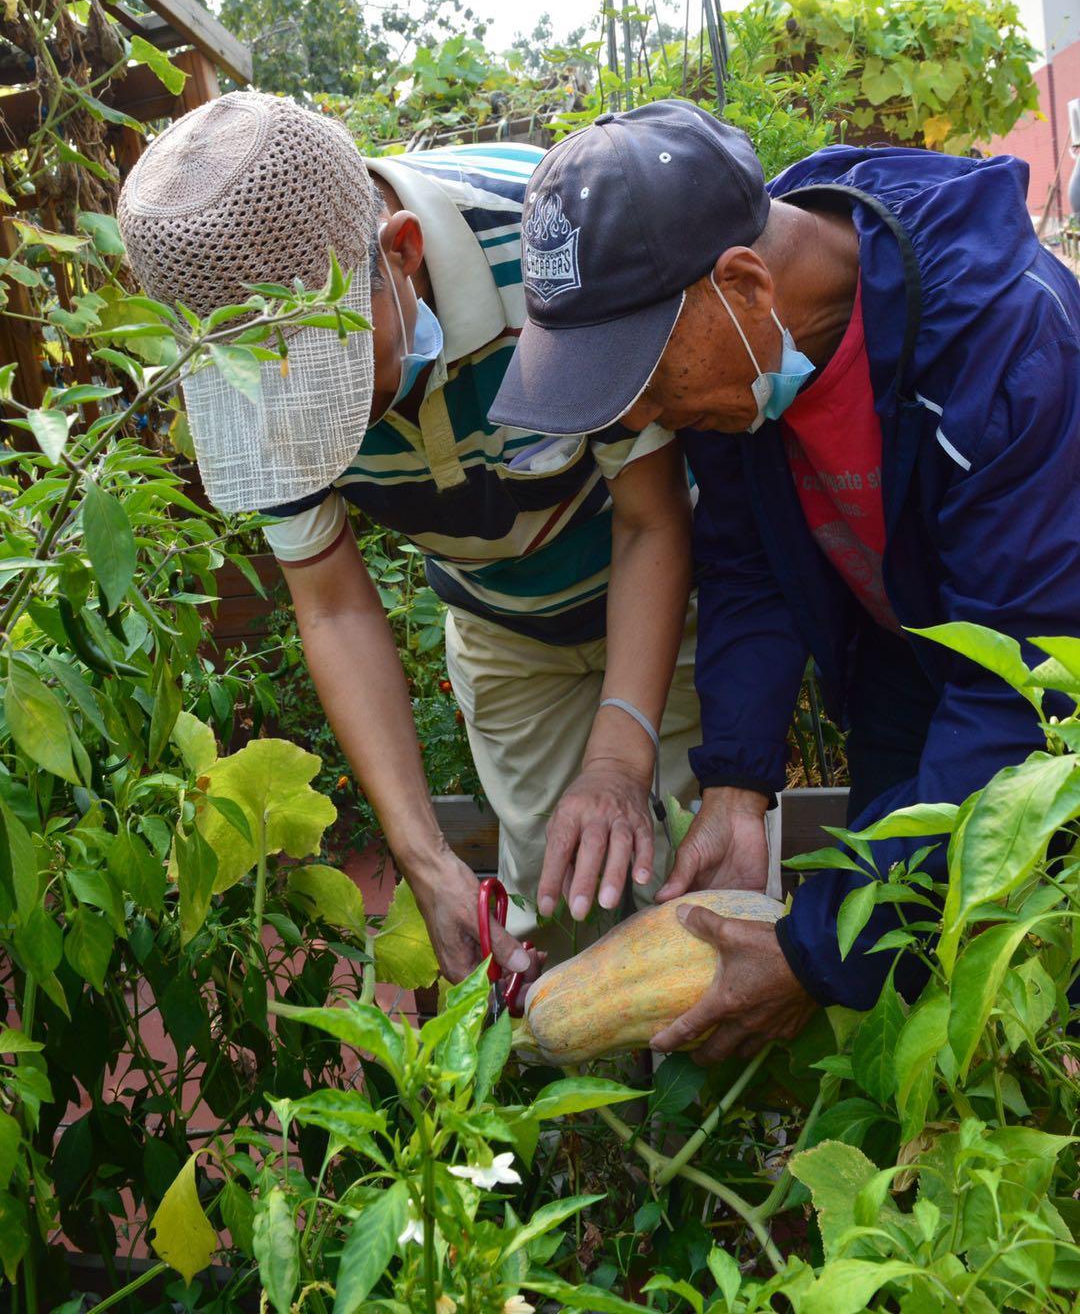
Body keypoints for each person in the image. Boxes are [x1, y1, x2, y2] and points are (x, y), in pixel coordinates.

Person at [489, 96, 1080, 1056]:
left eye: (643, 375)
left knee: (1032, 970)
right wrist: (739, 784)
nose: (638, 411)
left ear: (743, 282)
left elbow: (1019, 697)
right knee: (906, 978)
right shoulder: (744, 370)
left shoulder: (1012, 350)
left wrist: (807, 957)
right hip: (902, 658)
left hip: (1040, 694)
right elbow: (746, 565)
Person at [117, 90, 706, 981]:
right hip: (503, 631)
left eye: (336, 377)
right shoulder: (246, 375)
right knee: (549, 913)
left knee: (690, 884)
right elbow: (335, 607)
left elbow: (653, 516)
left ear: (402, 253)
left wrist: (622, 757)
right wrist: (424, 859)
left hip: (666, 593)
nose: (316, 423)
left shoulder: (548, 238)